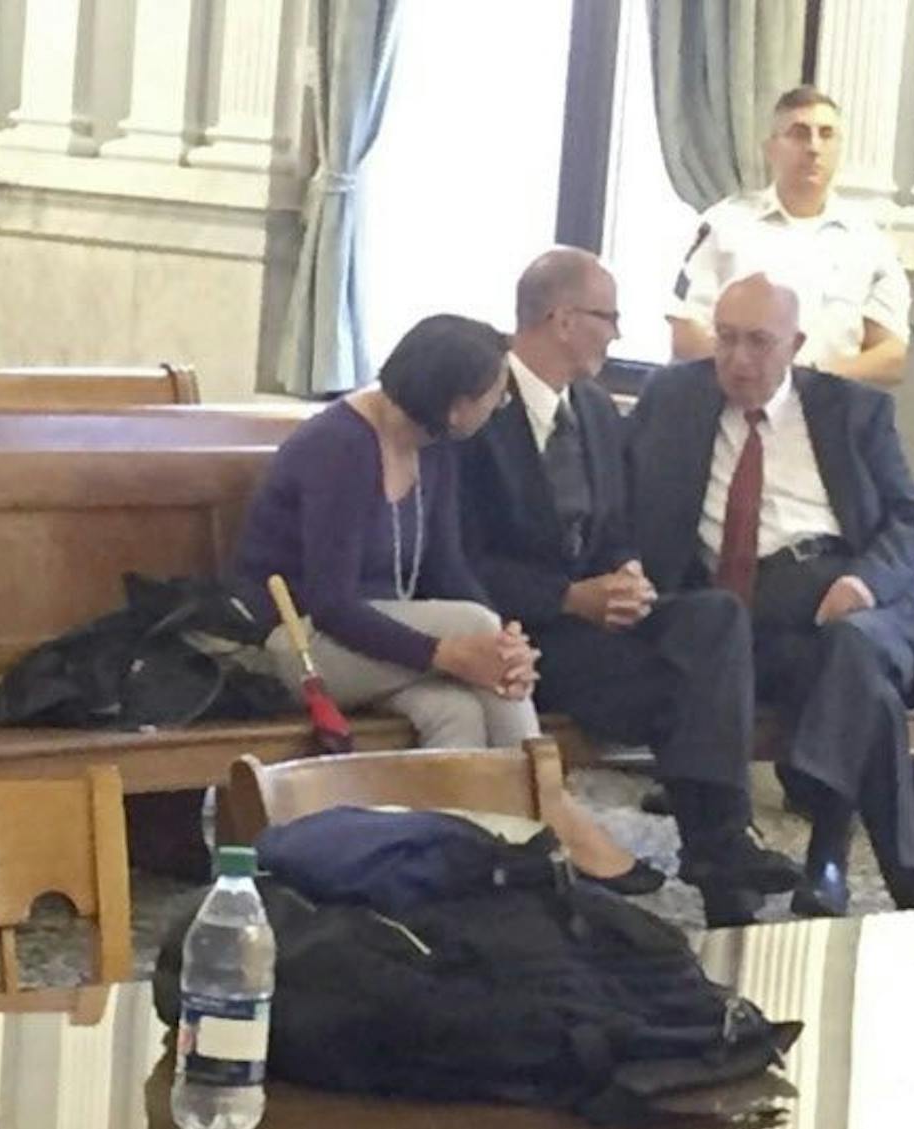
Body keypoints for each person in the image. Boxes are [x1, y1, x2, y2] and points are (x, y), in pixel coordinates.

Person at [233, 313, 658, 892]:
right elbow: (332, 603)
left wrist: (507, 643)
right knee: (470, 628)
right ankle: (549, 801)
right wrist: (448, 652)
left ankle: (461, 869)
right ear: (457, 404)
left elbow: (449, 569)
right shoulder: (341, 446)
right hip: (299, 643)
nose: (501, 406)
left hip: (380, 648)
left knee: (453, 711)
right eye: (494, 396)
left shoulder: (433, 446)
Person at [460, 250, 798, 925]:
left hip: (597, 627)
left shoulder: (592, 405)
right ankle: (719, 860)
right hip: (522, 641)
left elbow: (616, 527)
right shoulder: (479, 404)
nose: (617, 334)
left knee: (715, 620)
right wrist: (569, 598)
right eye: (607, 318)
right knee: (689, 690)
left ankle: (719, 846)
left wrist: (628, 576)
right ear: (562, 320)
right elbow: (462, 563)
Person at [630, 275, 914, 917]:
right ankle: (891, 879)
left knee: (851, 645)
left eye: (760, 343)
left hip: (853, 592)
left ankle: (817, 806)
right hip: (747, 618)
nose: (739, 360)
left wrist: (863, 583)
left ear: (795, 344)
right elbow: (622, 501)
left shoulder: (852, 410)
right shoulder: (673, 399)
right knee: (862, 690)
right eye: (727, 340)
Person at [669, 86, 911, 388]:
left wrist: (805, 382)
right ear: (771, 149)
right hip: (730, 406)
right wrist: (752, 377)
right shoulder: (724, 224)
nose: (813, 147)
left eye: (826, 134)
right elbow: (685, 333)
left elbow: (892, 357)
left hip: (826, 411)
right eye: (799, 133)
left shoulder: (870, 242)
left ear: (839, 147)